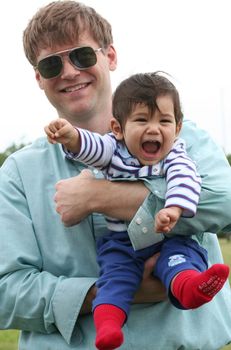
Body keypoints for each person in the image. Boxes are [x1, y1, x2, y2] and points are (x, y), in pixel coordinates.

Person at [0, 1, 231, 350]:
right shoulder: (17, 173)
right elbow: (5, 291)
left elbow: (227, 204)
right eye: (51, 64)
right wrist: (106, 293)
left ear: (110, 56)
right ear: (38, 78)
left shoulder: (185, 139)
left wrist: (102, 197)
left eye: (81, 56)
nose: (68, 71)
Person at [45, 71, 229, 349]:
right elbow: (91, 147)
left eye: (164, 121)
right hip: (123, 242)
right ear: (118, 128)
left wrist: (175, 209)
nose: (154, 129)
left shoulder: (176, 155)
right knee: (114, 278)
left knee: (180, 259)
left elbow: (184, 179)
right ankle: (107, 328)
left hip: (170, 238)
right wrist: (71, 137)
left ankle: (192, 288)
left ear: (177, 128)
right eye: (142, 120)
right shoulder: (113, 149)